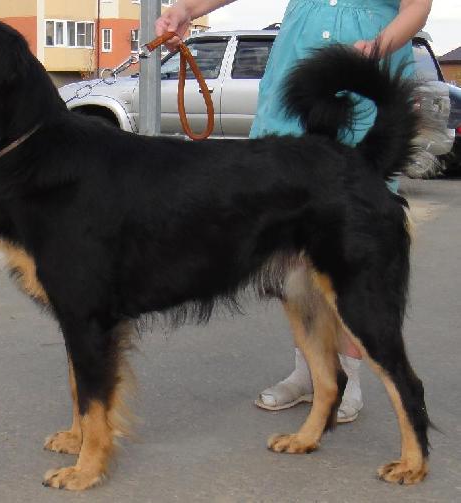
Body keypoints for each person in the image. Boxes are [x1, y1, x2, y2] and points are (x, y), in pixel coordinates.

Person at [156, 0, 432, 422]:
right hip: (297, 80)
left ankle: (348, 375)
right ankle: (310, 371)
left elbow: (417, 7)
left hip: (363, 75)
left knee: (351, 253)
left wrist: (377, 47)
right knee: (287, 250)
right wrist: (186, 9)